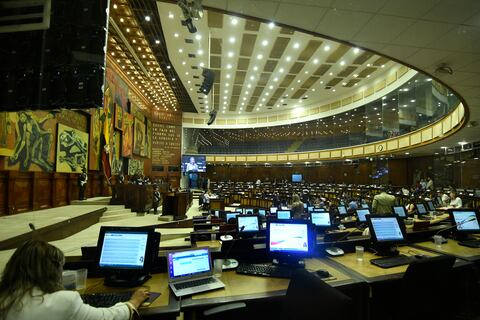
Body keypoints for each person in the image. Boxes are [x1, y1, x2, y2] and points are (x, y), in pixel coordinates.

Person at [0, 240, 149, 320]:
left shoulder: (5, 297)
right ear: (53, 271)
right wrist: (133, 302)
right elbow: (108, 317)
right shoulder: (65, 301)